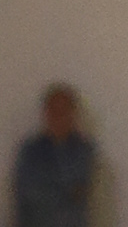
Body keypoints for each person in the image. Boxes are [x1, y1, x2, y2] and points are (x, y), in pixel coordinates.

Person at [11, 88, 94, 227]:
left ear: (72, 114)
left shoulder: (84, 150)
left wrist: (46, 186)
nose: (58, 117)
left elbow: (79, 189)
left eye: (63, 112)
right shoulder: (30, 151)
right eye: (53, 112)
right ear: (46, 114)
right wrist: (63, 191)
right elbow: (27, 192)